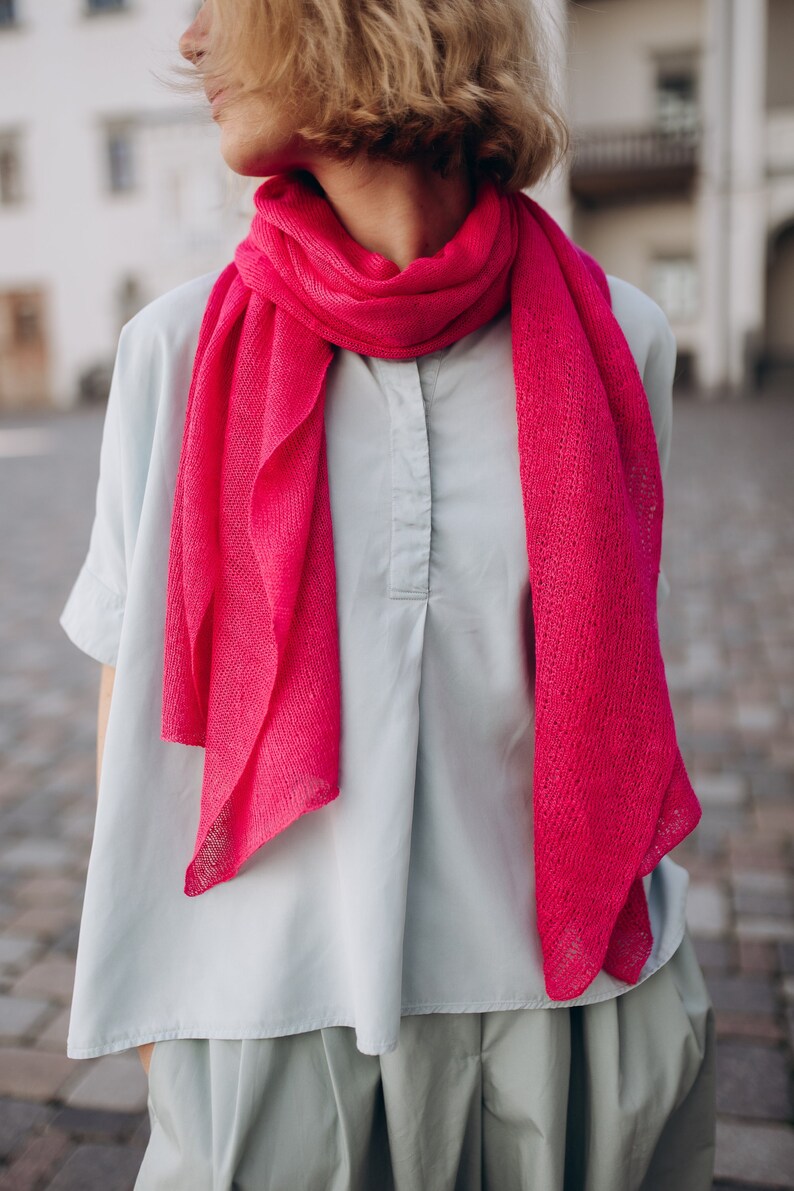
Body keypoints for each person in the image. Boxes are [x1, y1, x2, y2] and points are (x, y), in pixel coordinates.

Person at [59, 0, 717, 1187]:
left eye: (221, 5)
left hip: (567, 1011)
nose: (192, 44)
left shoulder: (621, 337)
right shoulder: (174, 354)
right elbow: (131, 710)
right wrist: (167, 1039)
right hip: (269, 1015)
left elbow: (610, 695)